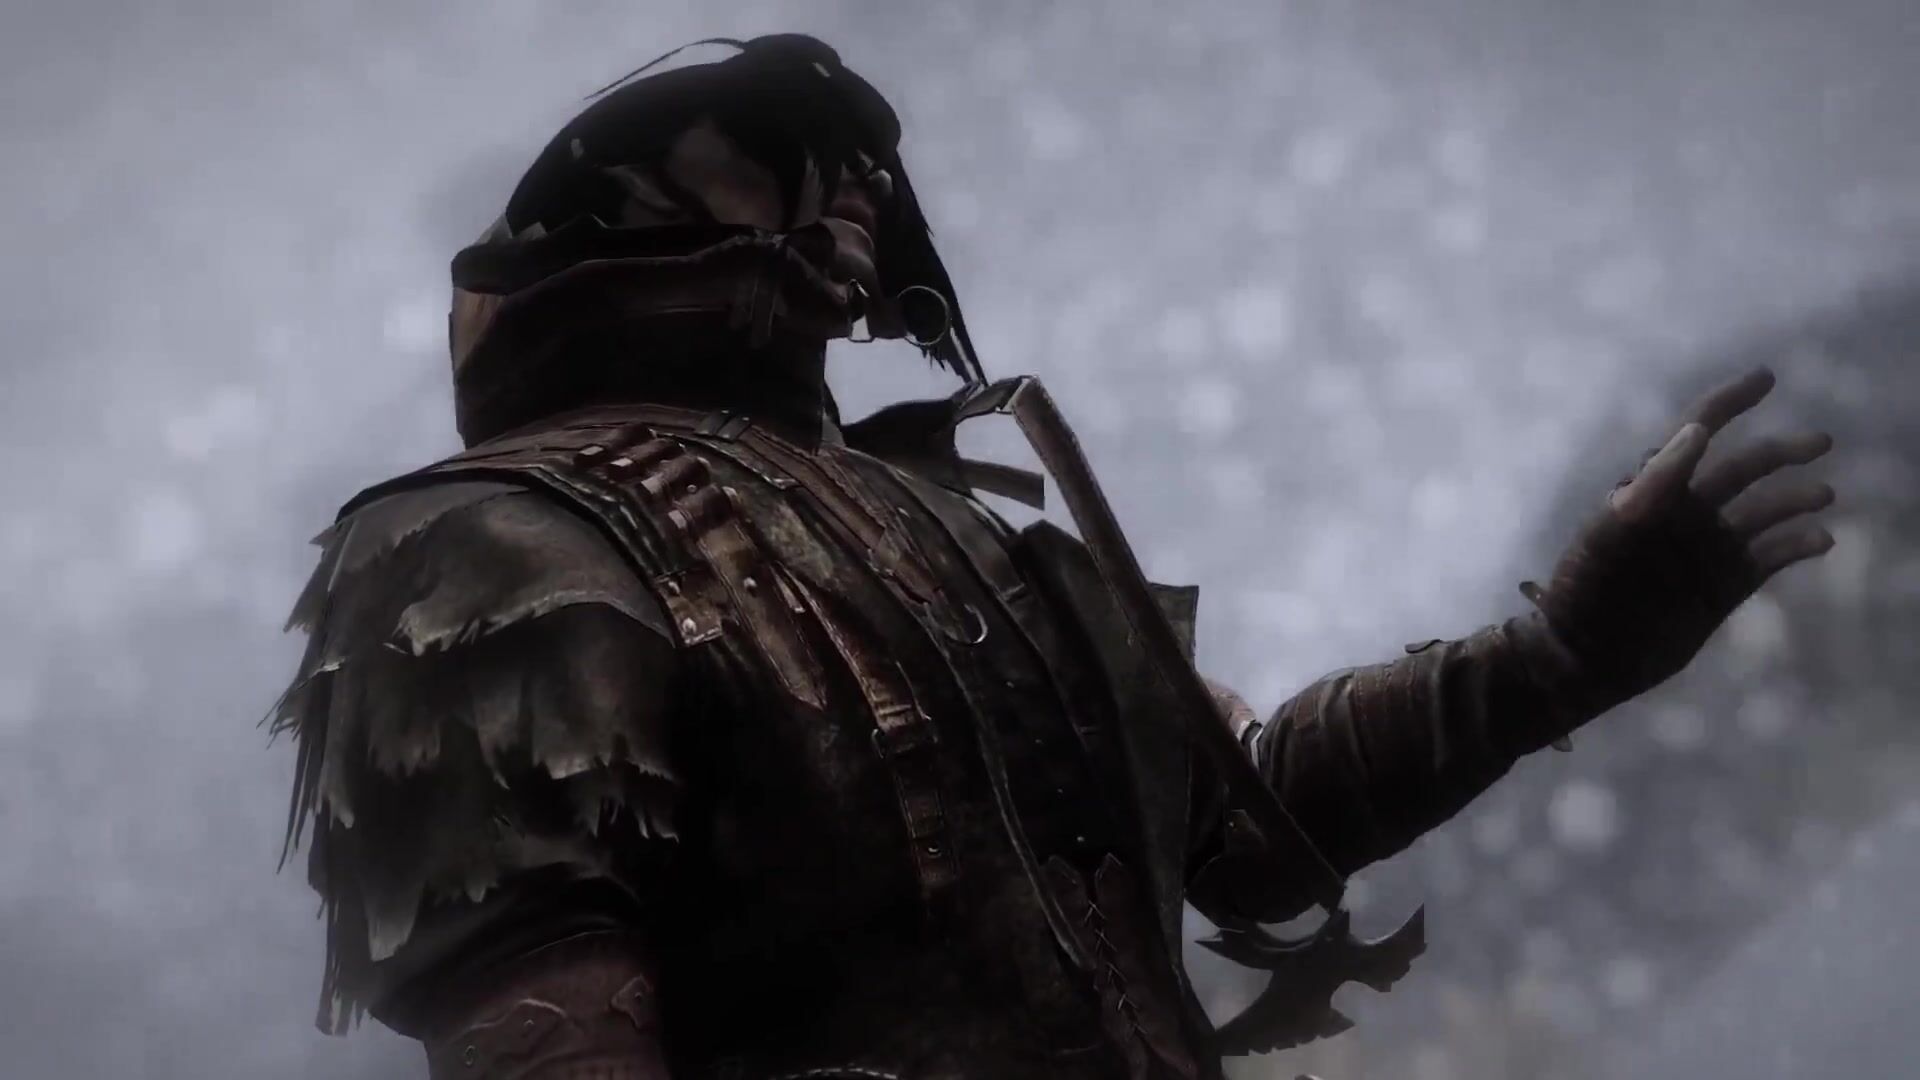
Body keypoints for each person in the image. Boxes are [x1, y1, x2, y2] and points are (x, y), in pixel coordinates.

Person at [270, 34, 1837, 1080]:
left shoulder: (968, 534)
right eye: (783, 144)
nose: (858, 187)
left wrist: (1559, 658)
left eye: (866, 162)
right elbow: (540, 1021)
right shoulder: (482, 537)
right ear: (613, 200)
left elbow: (1243, 825)